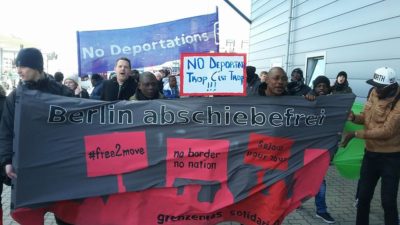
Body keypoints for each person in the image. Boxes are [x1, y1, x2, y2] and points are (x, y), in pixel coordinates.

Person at [0, 48, 73, 225]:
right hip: (29, 167)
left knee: (65, 214)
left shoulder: (62, 92)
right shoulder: (15, 97)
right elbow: (6, 131)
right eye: (18, 66)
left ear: (37, 66)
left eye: (23, 66)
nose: (19, 70)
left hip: (59, 166)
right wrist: (7, 161)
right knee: (31, 215)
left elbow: (76, 128)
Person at [342, 67, 400, 225]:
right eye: (374, 85)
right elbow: (367, 118)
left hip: (391, 158)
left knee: (388, 202)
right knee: (363, 198)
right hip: (370, 155)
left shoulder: (398, 100)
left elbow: (387, 131)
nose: (376, 89)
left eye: (380, 87)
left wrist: (355, 135)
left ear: (391, 86)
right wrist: (354, 118)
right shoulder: (373, 92)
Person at [310, 76, 336, 224]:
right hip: (304, 148)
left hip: (322, 149)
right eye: (318, 86)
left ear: (328, 88)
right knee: (298, 178)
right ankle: (296, 202)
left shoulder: (335, 105)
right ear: (314, 87)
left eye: (324, 86)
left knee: (320, 180)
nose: (321, 88)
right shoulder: (307, 100)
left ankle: (321, 210)